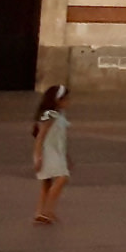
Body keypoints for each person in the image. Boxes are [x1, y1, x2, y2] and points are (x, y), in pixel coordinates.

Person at [32, 85, 70, 225]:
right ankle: (48, 210)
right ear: (58, 100)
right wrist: (38, 155)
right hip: (47, 151)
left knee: (47, 183)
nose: (68, 102)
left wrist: (66, 156)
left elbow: (61, 138)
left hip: (56, 151)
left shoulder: (60, 114)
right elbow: (40, 136)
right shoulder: (50, 115)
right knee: (62, 178)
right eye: (65, 99)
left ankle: (40, 212)